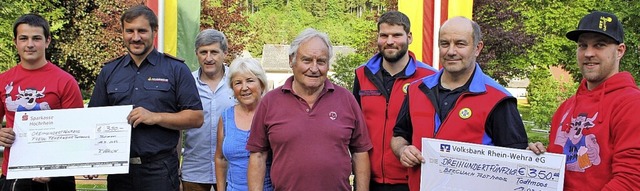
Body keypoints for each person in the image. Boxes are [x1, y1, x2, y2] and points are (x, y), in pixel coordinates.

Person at [390, 17, 528, 191]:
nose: (451, 51)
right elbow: (398, 135)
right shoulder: (416, 90)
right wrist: (403, 150)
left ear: (478, 48)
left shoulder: (498, 99)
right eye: (445, 43)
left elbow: (517, 165)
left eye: (460, 44)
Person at [88, 5, 203, 191]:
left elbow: (196, 117)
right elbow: (93, 120)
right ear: (123, 32)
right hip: (119, 172)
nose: (135, 37)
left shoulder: (176, 69)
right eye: (130, 31)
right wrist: (91, 159)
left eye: (142, 31)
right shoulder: (109, 71)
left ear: (154, 31)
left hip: (159, 170)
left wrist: (156, 117)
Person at [246, 28, 372, 191]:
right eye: (307, 60)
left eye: (321, 61)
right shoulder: (270, 102)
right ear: (292, 60)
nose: (314, 68)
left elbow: (360, 152)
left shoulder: (346, 99)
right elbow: (258, 155)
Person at [528, 11, 640, 190]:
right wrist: (539, 158)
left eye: (599, 45)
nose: (588, 53)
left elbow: (632, 180)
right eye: (582, 45)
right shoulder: (566, 108)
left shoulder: (632, 105)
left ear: (620, 51)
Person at [352, 11, 436, 191]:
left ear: (409, 37)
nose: (390, 41)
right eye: (384, 35)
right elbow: (355, 128)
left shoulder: (429, 78)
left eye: (397, 35)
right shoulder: (361, 75)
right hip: (368, 179)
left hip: (412, 179)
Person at [0, 13, 83, 191]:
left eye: (36, 38)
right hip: (15, 172)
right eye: (23, 38)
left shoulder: (65, 81)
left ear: (47, 41)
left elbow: (77, 133)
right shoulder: (3, 81)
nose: (30, 44)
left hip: (57, 175)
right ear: (15, 42)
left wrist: (53, 167)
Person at [181, 29, 235, 191]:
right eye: (203, 52)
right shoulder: (186, 82)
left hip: (232, 171)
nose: (208, 58)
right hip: (194, 171)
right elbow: (177, 129)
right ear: (196, 54)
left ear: (224, 53)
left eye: (214, 52)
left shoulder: (238, 81)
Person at [214, 58, 273, 191]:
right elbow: (220, 158)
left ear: (261, 84)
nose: (244, 87)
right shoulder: (226, 117)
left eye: (250, 80)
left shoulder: (273, 115)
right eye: (238, 83)